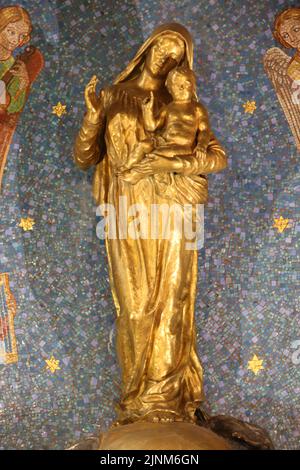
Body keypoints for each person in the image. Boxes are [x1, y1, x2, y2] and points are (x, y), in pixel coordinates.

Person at [74, 23, 227, 425]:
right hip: (126, 207)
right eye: (164, 46)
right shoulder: (114, 95)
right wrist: (93, 118)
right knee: (136, 305)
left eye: (177, 53)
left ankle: (167, 399)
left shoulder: (186, 102)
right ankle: (138, 398)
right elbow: (84, 156)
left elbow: (213, 155)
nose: (167, 56)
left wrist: (173, 163)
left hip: (174, 206)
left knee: (173, 296)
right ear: (148, 46)